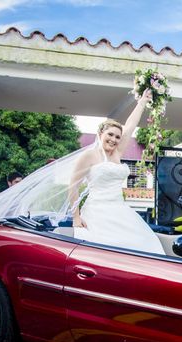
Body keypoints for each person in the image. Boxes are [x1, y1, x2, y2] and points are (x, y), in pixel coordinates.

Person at [68, 89, 164, 254]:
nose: (113, 139)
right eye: (110, 134)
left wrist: (141, 102)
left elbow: (131, 125)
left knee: (146, 243)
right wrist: (76, 218)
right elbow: (73, 186)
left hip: (120, 210)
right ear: (100, 134)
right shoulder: (88, 156)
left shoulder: (117, 153)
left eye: (117, 137)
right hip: (97, 212)